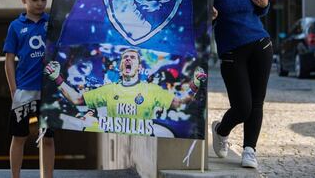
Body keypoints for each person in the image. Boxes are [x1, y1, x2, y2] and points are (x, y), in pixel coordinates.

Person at [212, 0, 272, 169]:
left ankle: (250, 150)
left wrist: (264, 5)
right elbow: (207, 20)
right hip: (231, 50)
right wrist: (211, 19)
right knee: (242, 106)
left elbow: (258, 13)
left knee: (257, 102)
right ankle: (221, 130)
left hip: (260, 44)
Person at [44, 49, 207, 135]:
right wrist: (57, 77)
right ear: (121, 66)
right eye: (125, 58)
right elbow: (77, 100)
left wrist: (195, 83)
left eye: (133, 58)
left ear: (138, 66)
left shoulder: (152, 90)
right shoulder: (108, 90)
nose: (128, 59)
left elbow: (179, 103)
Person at [3, 0, 54, 178]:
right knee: (19, 136)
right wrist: (14, 90)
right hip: (24, 90)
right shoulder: (15, 27)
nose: (40, 3)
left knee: (48, 138)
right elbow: (8, 60)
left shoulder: (51, 23)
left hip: (48, 92)